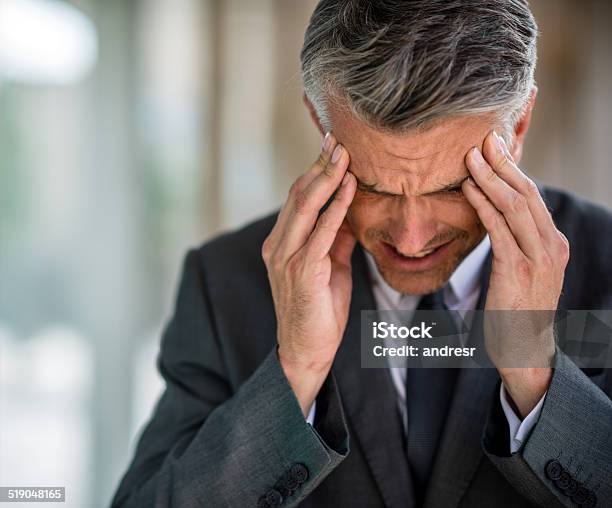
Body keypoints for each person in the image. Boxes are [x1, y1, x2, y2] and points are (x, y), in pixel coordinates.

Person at [112, 1, 612, 506]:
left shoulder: (608, 265)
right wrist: (296, 371)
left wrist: (533, 368)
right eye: (374, 189)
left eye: (454, 190)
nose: (411, 239)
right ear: (318, 119)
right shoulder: (223, 283)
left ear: (520, 124)